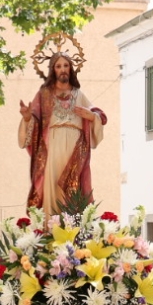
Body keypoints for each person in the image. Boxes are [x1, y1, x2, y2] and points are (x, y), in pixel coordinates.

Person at [19, 49, 106, 212]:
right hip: (51, 147)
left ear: (71, 68)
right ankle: (51, 225)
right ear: (53, 70)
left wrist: (91, 116)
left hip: (75, 148)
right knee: (52, 187)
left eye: (66, 65)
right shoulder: (44, 95)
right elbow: (35, 121)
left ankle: (73, 226)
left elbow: (97, 114)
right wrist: (27, 118)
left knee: (73, 189)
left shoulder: (78, 94)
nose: (63, 69)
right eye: (58, 66)